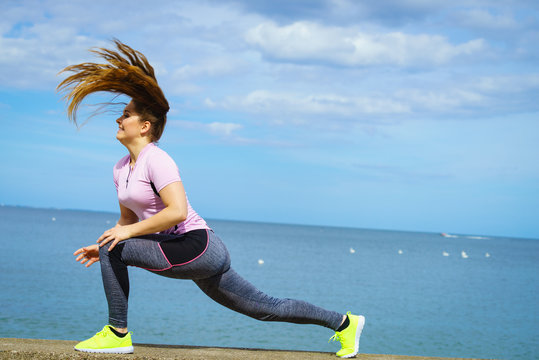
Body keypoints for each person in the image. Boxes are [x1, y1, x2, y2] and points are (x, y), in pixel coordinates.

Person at [58, 40, 365, 358]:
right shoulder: (121, 168)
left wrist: (119, 243)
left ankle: (117, 333)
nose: (118, 120)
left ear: (145, 126)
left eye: (125, 115)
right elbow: (128, 222)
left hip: (198, 246)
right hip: (184, 250)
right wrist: (108, 242)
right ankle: (344, 324)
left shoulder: (157, 159)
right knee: (263, 308)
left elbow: (176, 212)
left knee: (116, 249)